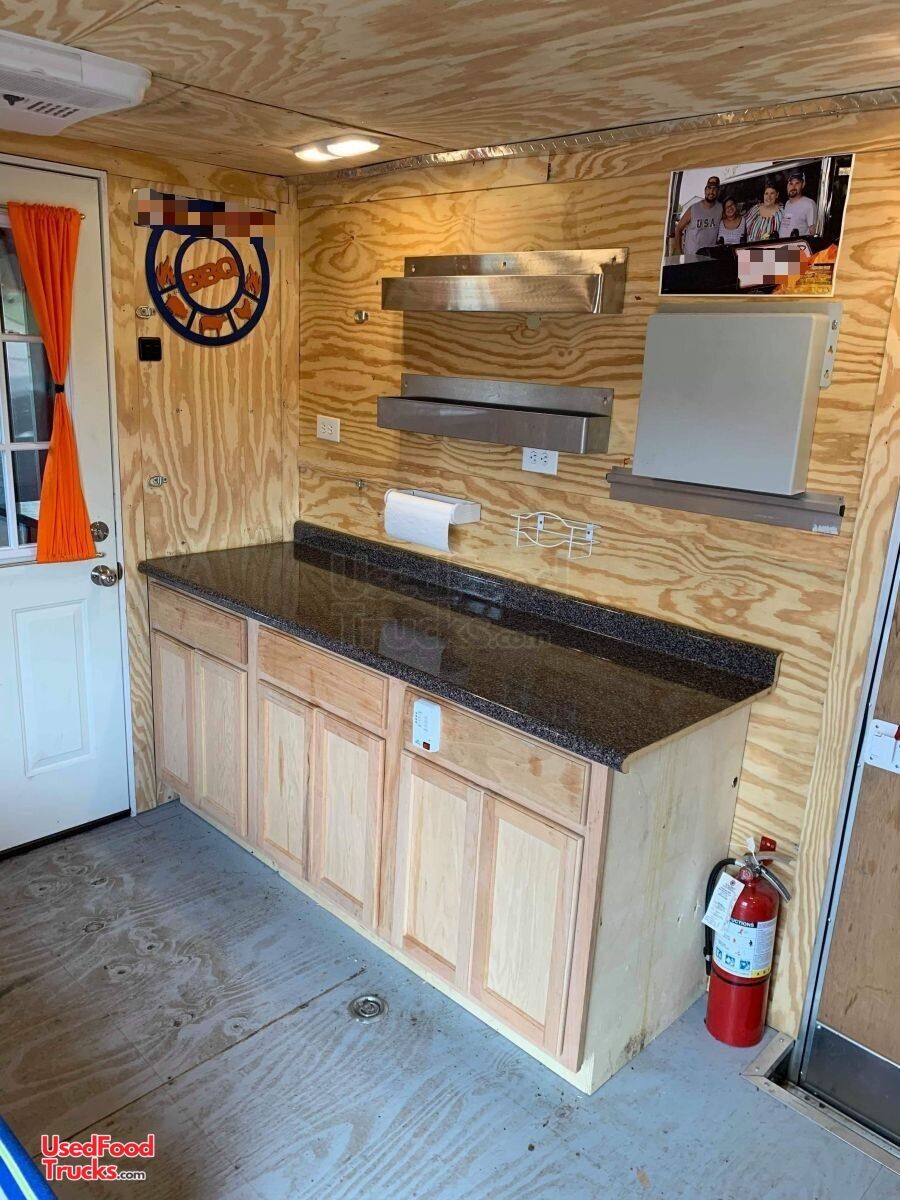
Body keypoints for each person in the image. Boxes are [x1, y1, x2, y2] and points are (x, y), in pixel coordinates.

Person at [674, 176, 722, 255]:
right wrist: (679, 253)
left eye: (715, 188)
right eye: (709, 188)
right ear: (705, 191)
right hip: (691, 257)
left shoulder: (720, 209)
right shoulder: (694, 209)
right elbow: (678, 229)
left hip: (710, 256)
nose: (711, 191)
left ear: (718, 191)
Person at [779, 169, 818, 238]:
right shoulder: (787, 203)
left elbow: (813, 232)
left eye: (797, 183)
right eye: (791, 184)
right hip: (782, 244)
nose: (793, 187)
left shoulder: (809, 204)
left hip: (798, 244)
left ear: (803, 184)